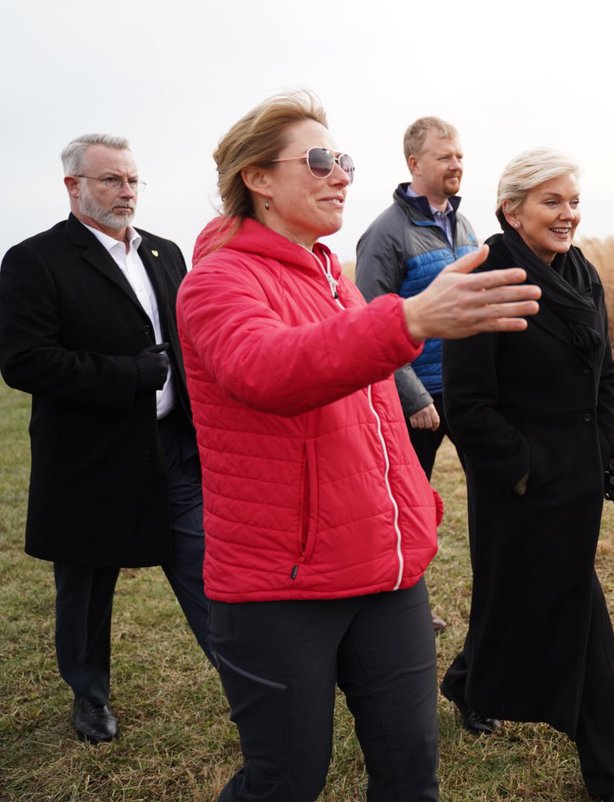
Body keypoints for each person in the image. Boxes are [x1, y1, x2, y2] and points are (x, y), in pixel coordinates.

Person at [175, 91, 539, 802]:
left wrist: (412, 505)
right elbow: (268, 370)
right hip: (282, 584)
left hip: (385, 571)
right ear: (257, 178)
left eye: (342, 158)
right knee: (285, 781)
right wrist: (405, 318)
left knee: (411, 777)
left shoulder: (329, 276)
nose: (341, 173)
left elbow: (369, 417)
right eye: (319, 159)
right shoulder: (217, 281)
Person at [439, 148, 614, 802]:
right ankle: (613, 776)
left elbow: (605, 372)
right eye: (552, 202)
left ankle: (467, 679)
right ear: (511, 209)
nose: (568, 215)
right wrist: (525, 472)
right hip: (522, 486)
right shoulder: (485, 274)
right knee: (579, 609)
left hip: (580, 475)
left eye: (573, 202)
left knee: (513, 591)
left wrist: (606, 448)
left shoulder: (581, 272)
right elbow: (468, 405)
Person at [0, 134, 212, 744]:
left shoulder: (166, 254)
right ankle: (89, 695)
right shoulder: (35, 260)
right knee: (87, 587)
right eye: (112, 180)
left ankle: (242, 674)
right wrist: (131, 376)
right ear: (74, 186)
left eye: (133, 180)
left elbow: (188, 341)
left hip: (171, 449)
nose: (127, 192)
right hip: (88, 457)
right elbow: (25, 362)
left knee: (206, 566)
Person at [355, 116, 478, 635]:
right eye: (445, 156)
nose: (456, 164)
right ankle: (405, 608)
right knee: (407, 506)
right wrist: (410, 394)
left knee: (492, 499)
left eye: (460, 156)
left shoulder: (465, 225)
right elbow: (369, 320)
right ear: (415, 164)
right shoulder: (385, 234)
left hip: (471, 393)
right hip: (419, 400)